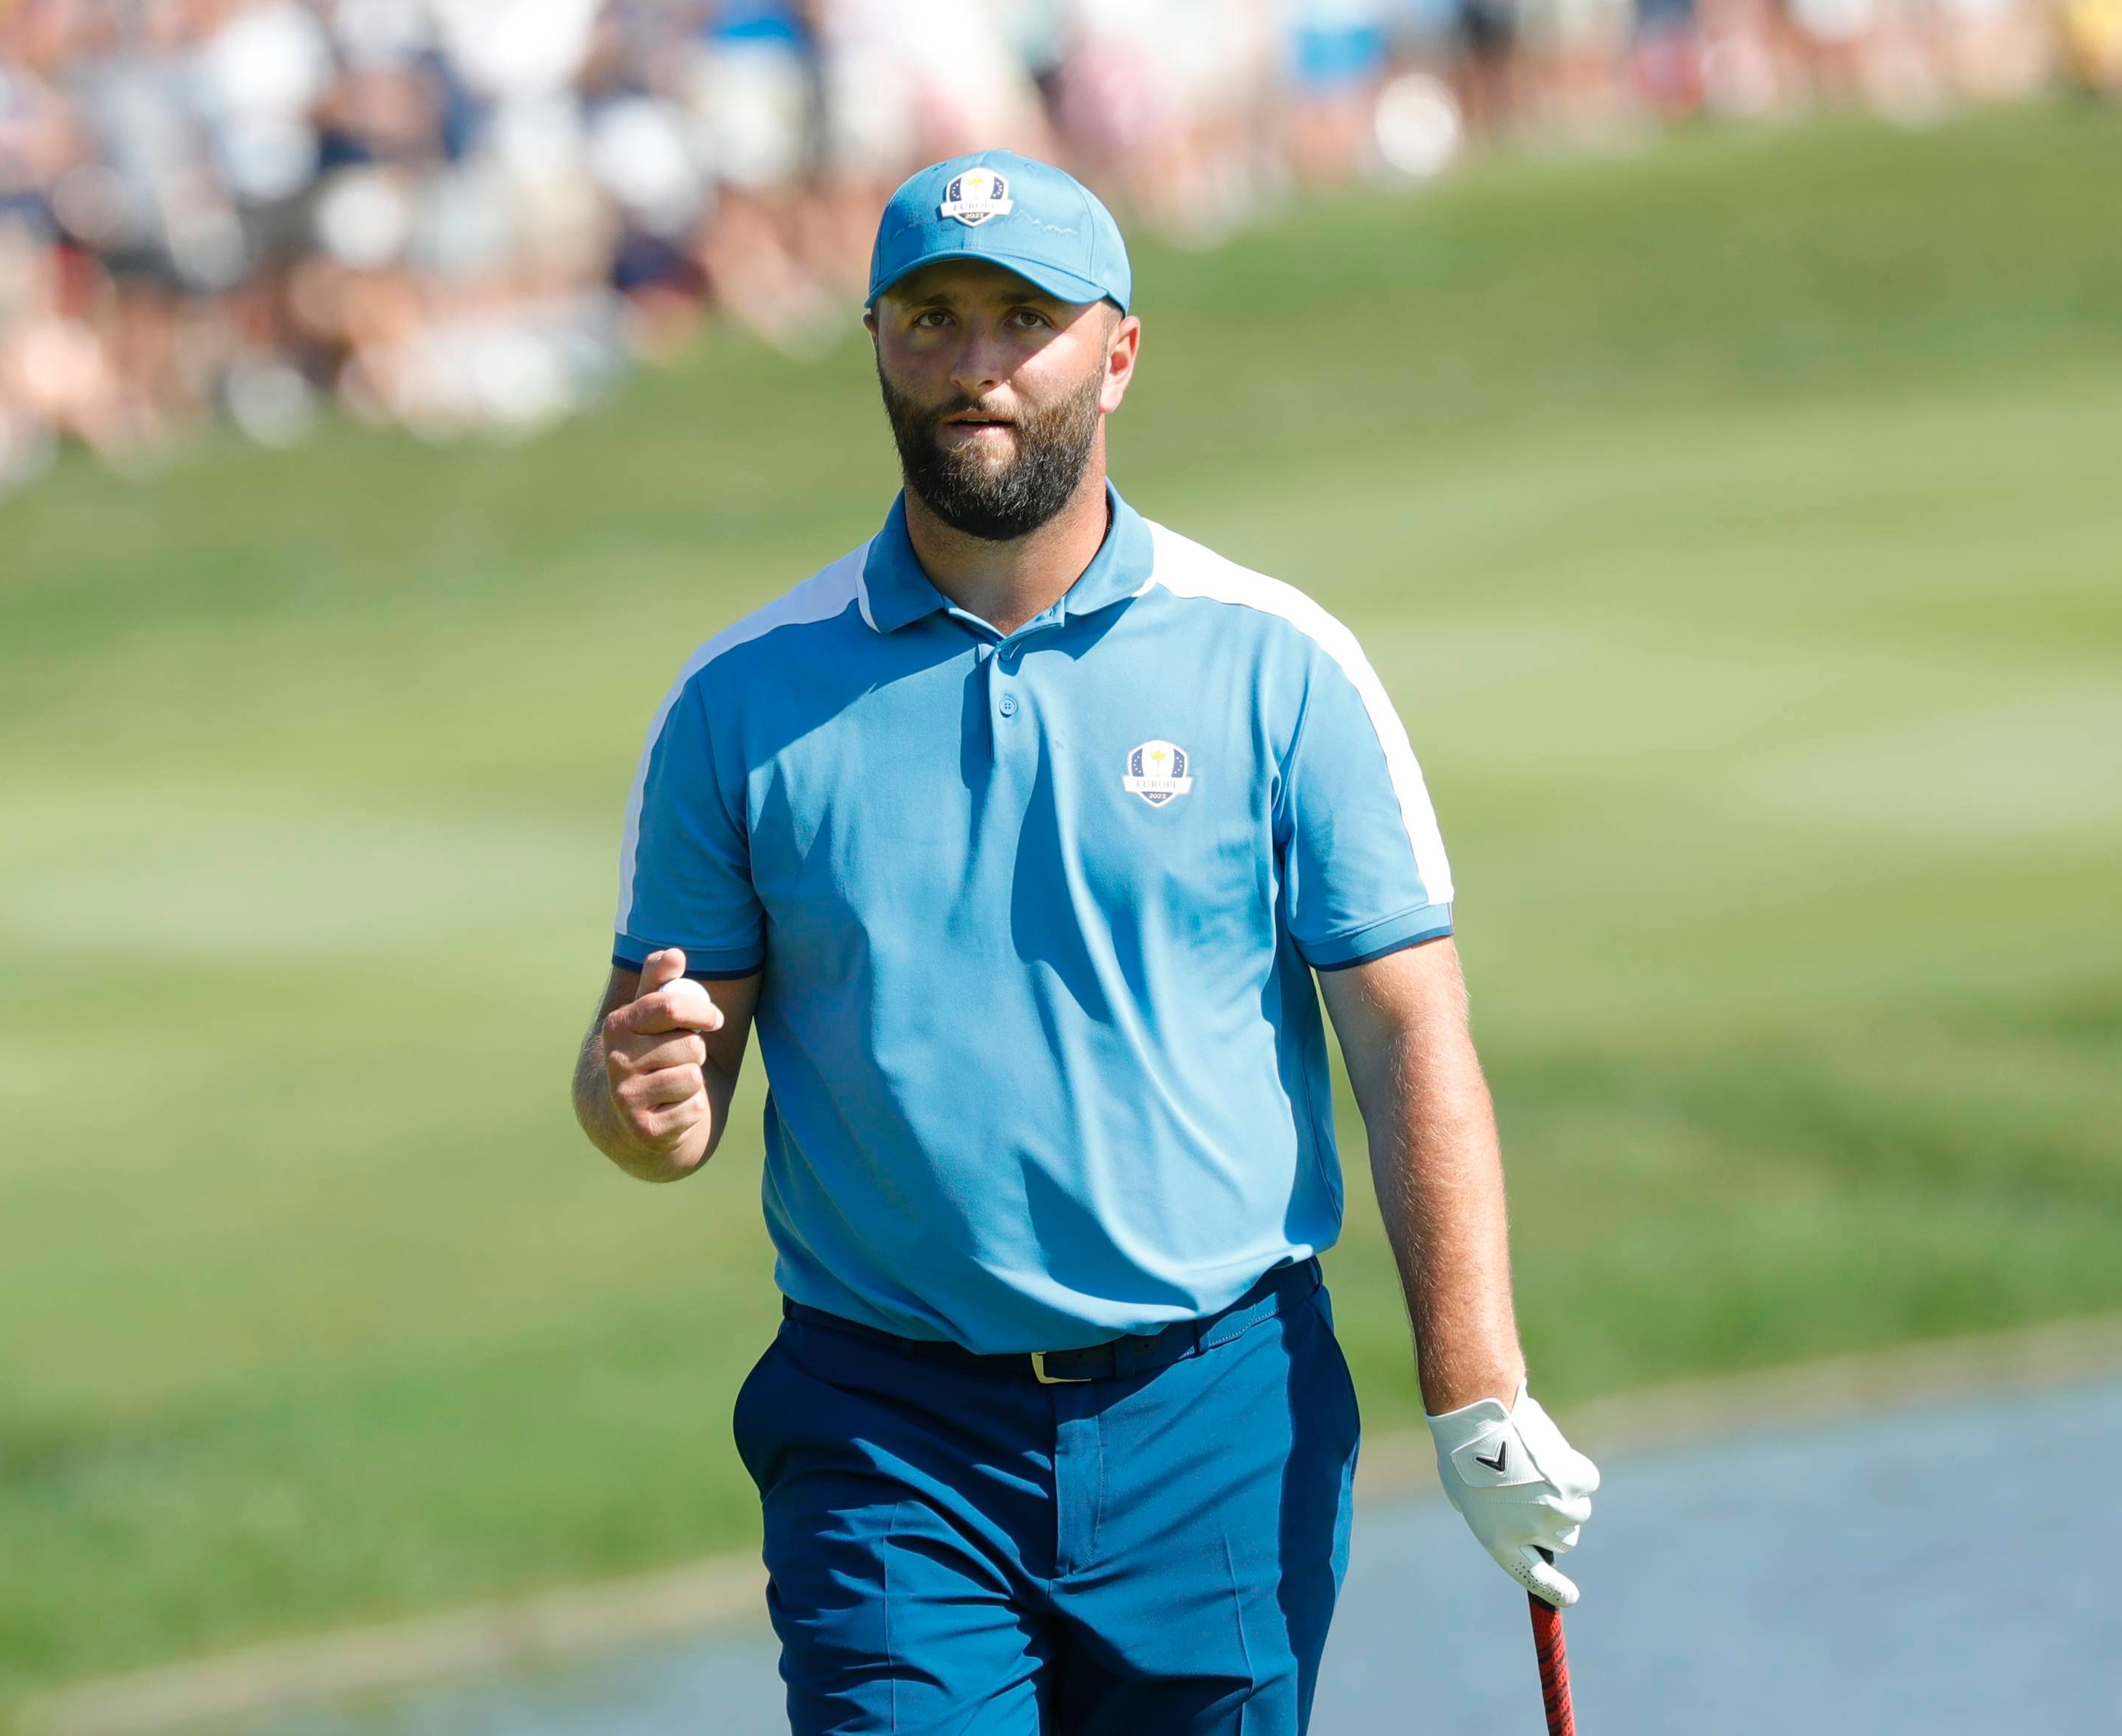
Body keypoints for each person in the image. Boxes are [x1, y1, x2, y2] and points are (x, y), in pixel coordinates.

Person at [571, 150, 1599, 1735]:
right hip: (889, 1427)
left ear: (1116, 352)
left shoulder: (1278, 661)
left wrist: (1474, 1393)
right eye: (930, 319)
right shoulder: (740, 697)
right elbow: (659, 1089)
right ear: (875, 342)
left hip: (1220, 1413)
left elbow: (1406, 1033)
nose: (974, 363)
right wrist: (633, 1103)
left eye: (1022, 319)